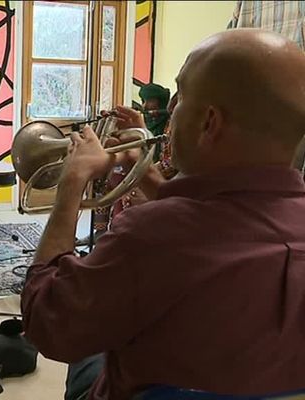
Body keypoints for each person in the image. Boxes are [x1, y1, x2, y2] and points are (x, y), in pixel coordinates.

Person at [21, 28, 305, 400]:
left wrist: (72, 183)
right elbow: (222, 223)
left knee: (91, 348)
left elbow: (47, 323)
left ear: (209, 123)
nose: (170, 110)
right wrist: (149, 174)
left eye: (180, 95)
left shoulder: (148, 235)